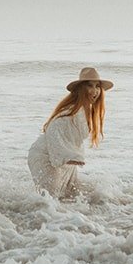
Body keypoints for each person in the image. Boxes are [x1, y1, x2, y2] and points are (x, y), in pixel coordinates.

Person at [28, 66, 111, 198]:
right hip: (45, 155)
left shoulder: (86, 110)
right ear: (81, 89)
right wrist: (68, 155)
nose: (95, 91)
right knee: (49, 198)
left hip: (65, 157)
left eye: (97, 86)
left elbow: (72, 138)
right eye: (90, 86)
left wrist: (70, 156)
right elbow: (53, 129)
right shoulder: (70, 110)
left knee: (73, 193)